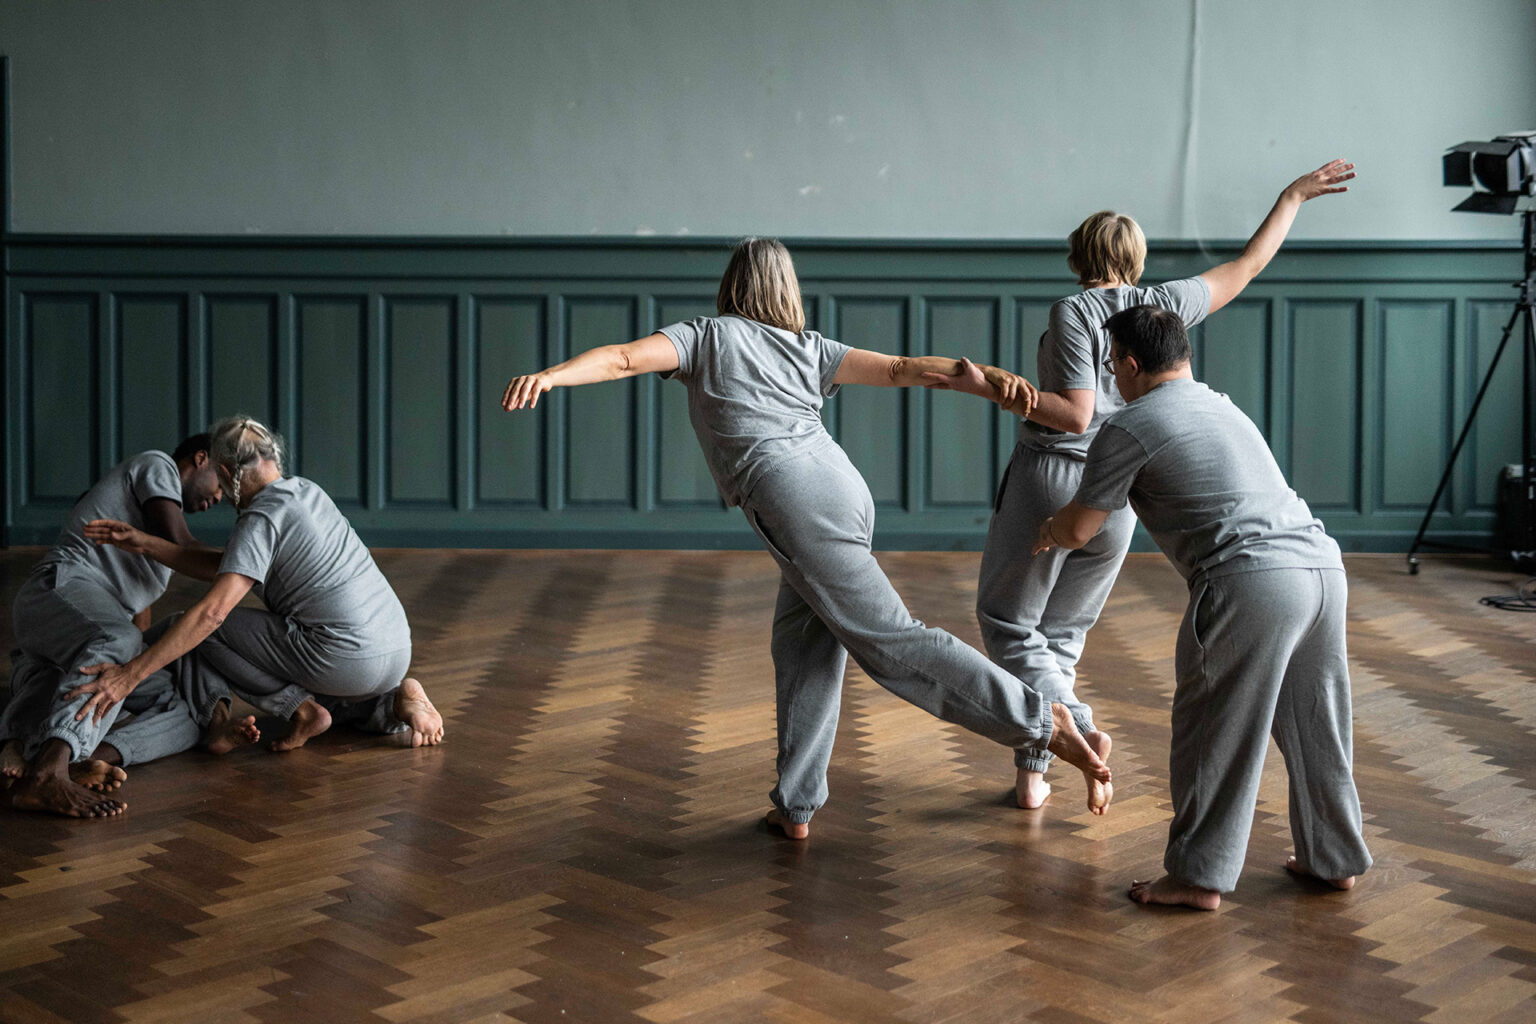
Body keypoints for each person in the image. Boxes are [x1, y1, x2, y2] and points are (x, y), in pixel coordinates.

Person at [501, 237, 1111, 840]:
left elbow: (625, 359)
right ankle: (796, 805)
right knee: (802, 643)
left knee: (889, 642)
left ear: (731, 285)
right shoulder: (807, 347)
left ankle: (1044, 722)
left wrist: (551, 377)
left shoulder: (705, 337)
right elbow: (903, 370)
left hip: (795, 502)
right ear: (786, 289)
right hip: (842, 487)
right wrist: (981, 378)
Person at [973, 160, 1356, 811]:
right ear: (1137, 257)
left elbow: (1075, 413)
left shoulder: (1075, 309)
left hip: (1056, 479)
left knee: (1008, 623)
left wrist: (998, 389)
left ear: (1078, 256)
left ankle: (1075, 725)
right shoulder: (1164, 306)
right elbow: (1249, 266)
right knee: (1062, 635)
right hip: (1120, 495)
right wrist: (1291, 196)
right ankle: (1032, 776)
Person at [1016, 305, 1371, 909]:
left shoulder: (1129, 426)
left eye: (1111, 367)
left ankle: (1198, 877)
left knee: (1213, 730)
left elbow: (1080, 529)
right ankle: (1333, 859)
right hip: (1320, 568)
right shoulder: (1221, 404)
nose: (1110, 379)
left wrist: (1048, 527)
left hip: (1249, 582)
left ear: (1129, 365)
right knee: (1317, 724)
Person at [70, 416, 445, 753]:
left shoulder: (261, 517)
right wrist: (144, 543)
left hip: (346, 656)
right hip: (395, 648)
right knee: (328, 686)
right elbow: (234, 568)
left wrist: (128, 675)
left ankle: (298, 710)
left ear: (226, 472)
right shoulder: (307, 492)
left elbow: (213, 613)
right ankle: (394, 704)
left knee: (202, 630)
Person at [0, 435, 249, 817]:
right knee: (119, 638)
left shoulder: (159, 551)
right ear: (200, 459)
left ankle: (84, 758)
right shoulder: (156, 465)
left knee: (183, 716)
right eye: (220, 485)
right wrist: (252, 559)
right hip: (59, 591)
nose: (220, 498)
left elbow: (140, 615)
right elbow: (180, 542)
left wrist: (140, 667)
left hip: (99, 632)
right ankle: (49, 772)